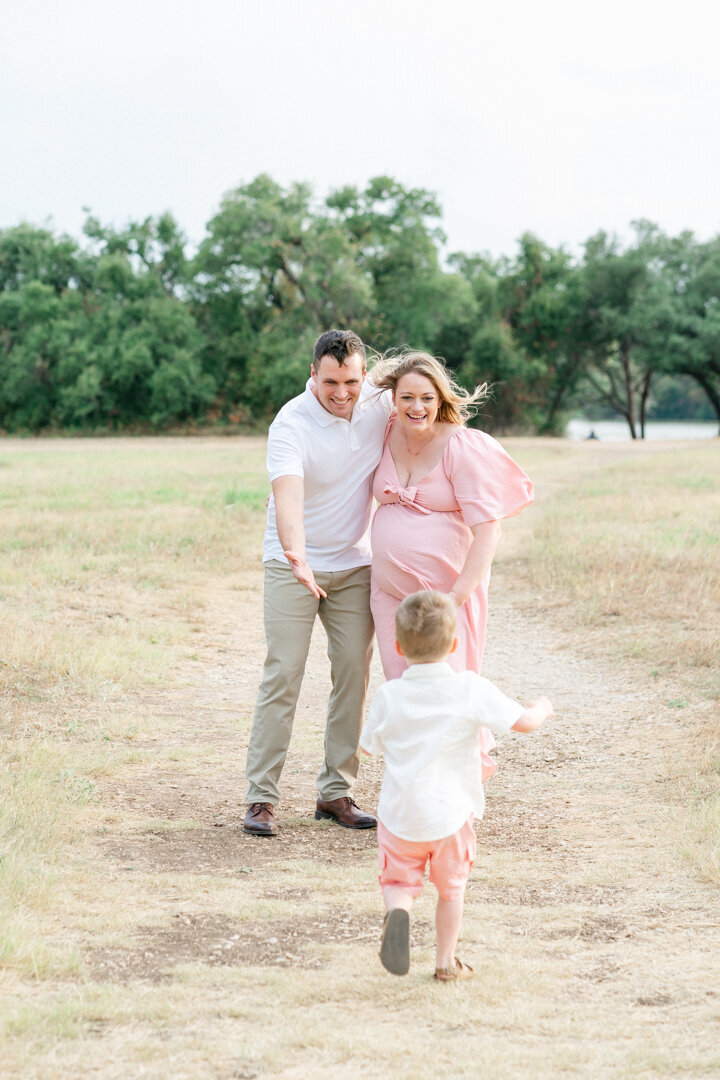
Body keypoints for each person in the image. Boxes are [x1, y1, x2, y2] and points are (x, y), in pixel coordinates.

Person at [360, 590, 553, 981]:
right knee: (451, 890)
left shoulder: (389, 695)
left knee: (399, 880)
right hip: (450, 816)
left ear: (398, 646)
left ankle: (399, 911)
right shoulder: (469, 688)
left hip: (400, 816)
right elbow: (525, 722)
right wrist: (543, 706)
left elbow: (365, 750)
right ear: (453, 644)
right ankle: (445, 963)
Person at [244, 329, 392, 837]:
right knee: (283, 672)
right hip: (293, 562)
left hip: (355, 564)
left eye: (351, 380)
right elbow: (286, 497)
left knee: (353, 670)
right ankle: (261, 798)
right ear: (313, 374)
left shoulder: (380, 401)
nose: (342, 392)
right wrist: (297, 555)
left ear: (364, 374)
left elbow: (423, 398)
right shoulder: (291, 422)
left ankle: (336, 793)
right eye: (331, 382)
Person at [368, 351, 533, 778]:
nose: (416, 407)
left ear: (439, 398)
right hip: (389, 594)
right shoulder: (385, 431)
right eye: (406, 397)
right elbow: (351, 387)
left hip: (447, 596)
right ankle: (417, 781)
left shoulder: (460, 445)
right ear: (393, 398)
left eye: (425, 397)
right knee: (403, 685)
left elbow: (488, 531)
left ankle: (456, 788)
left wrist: (455, 597)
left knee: (450, 691)